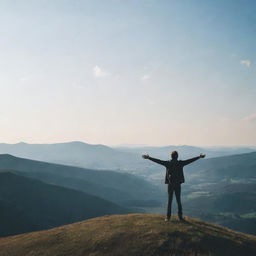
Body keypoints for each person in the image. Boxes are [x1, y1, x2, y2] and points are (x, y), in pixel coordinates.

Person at [142, 151, 205, 221]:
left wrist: (149, 157)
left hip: (170, 184)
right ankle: (180, 217)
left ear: (171, 156)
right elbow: (190, 161)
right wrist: (199, 157)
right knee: (179, 201)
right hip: (178, 184)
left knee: (169, 201)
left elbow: (158, 161)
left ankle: (168, 218)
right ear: (177, 156)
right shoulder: (180, 163)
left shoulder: (168, 163)